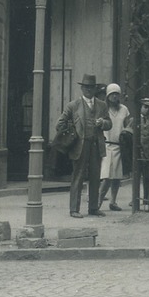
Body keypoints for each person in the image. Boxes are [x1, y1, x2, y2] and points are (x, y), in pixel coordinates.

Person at [54, 73, 112, 218]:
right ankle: (74, 209)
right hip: (79, 146)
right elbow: (59, 124)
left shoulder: (102, 105)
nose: (88, 90)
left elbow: (109, 123)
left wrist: (102, 123)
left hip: (96, 144)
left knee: (95, 176)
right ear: (82, 88)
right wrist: (73, 131)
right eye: (86, 87)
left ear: (95, 89)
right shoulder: (73, 106)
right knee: (78, 177)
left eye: (91, 87)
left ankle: (93, 208)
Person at [98, 83, 133, 211]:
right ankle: (98, 202)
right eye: (111, 94)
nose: (114, 97)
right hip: (106, 145)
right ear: (107, 96)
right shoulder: (103, 108)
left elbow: (128, 124)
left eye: (116, 94)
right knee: (106, 177)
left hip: (119, 146)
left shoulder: (124, 109)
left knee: (117, 177)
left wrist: (127, 130)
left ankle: (113, 201)